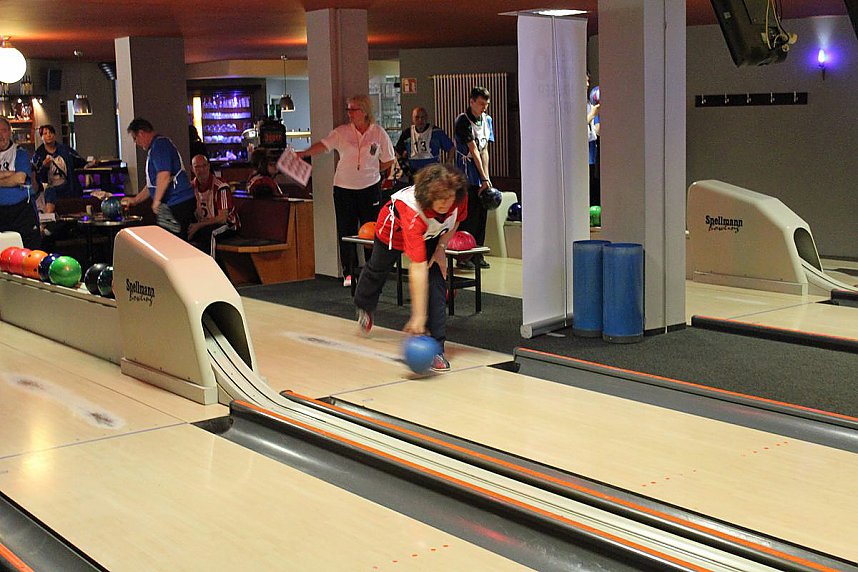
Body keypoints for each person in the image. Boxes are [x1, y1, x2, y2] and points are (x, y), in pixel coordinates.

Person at [354, 163, 467, 372]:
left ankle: (436, 348)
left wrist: (441, 247)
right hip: (393, 229)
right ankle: (364, 305)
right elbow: (417, 268)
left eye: (448, 198)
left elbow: (456, 221)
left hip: (430, 234)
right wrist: (417, 317)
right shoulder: (413, 212)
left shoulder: (458, 197)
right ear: (427, 195)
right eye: (439, 198)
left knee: (437, 281)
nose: (444, 204)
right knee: (378, 269)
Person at [297, 94, 395, 287]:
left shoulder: (378, 133)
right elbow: (323, 145)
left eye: (353, 110)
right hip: (344, 188)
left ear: (364, 112)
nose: (349, 114)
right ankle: (349, 272)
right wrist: (303, 153)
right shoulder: (342, 132)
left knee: (371, 230)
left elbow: (388, 159)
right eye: (348, 109)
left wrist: (372, 170)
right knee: (346, 230)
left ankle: (372, 271)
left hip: (370, 188)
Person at [123, 118, 196, 239]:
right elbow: (154, 184)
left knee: (175, 243)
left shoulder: (160, 145)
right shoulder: (155, 147)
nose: (136, 143)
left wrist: (156, 202)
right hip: (174, 203)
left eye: (135, 138)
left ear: (141, 133)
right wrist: (135, 200)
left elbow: (164, 175)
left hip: (178, 202)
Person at [453, 86, 493, 270]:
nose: (484, 107)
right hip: (466, 174)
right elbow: (473, 150)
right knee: (468, 215)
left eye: (486, 104)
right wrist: (481, 178)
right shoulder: (463, 121)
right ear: (472, 102)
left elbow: (484, 150)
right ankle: (463, 255)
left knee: (481, 214)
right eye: (481, 104)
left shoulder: (487, 120)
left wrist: (486, 177)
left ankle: (477, 254)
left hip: (480, 175)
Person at [31, 124, 91, 214]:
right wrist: (44, 167)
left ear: (54, 135)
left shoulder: (65, 150)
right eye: (45, 133)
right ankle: (48, 218)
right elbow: (37, 176)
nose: (49, 135)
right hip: (50, 187)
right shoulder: (38, 154)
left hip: (68, 185)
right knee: (50, 191)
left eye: (51, 133)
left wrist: (89, 164)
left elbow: (80, 161)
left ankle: (47, 219)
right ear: (41, 137)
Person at [188, 154, 239, 257]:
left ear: (209, 166)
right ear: (192, 169)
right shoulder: (191, 187)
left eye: (204, 166)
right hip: (205, 223)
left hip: (228, 224)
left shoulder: (220, 186)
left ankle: (211, 267)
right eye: (197, 167)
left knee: (209, 233)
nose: (201, 170)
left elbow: (222, 218)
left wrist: (198, 225)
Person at [0, 117, 40, 248]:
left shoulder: (20, 153)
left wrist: (12, 177)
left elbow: (20, 179)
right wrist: (10, 174)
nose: (1, 135)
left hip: (22, 213)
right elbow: (15, 177)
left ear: (10, 132)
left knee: (29, 252)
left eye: (4, 131)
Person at [394, 106, 453, 181]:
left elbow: (451, 148)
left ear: (427, 118)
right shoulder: (407, 134)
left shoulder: (436, 132)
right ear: (412, 119)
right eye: (417, 117)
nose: (420, 120)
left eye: (423, 117)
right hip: (414, 174)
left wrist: (448, 163)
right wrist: (404, 166)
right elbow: (398, 151)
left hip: (433, 174)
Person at [587, 73, 601, 207]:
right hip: (580, 157)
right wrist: (592, 114)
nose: (587, 84)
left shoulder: (588, 104)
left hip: (591, 155)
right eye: (584, 81)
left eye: (588, 81)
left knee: (591, 185)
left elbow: (596, 130)